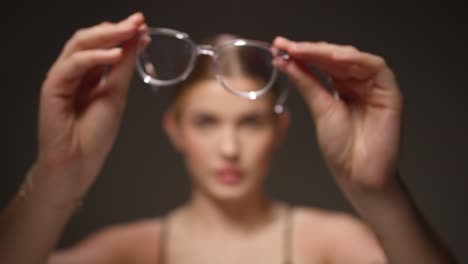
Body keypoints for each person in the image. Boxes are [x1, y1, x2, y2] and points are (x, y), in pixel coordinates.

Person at [0, 12, 457, 264]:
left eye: (250, 123)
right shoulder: (127, 252)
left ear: (279, 130)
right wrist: (54, 177)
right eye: (206, 122)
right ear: (174, 130)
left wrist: (382, 196)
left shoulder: (330, 245)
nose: (230, 149)